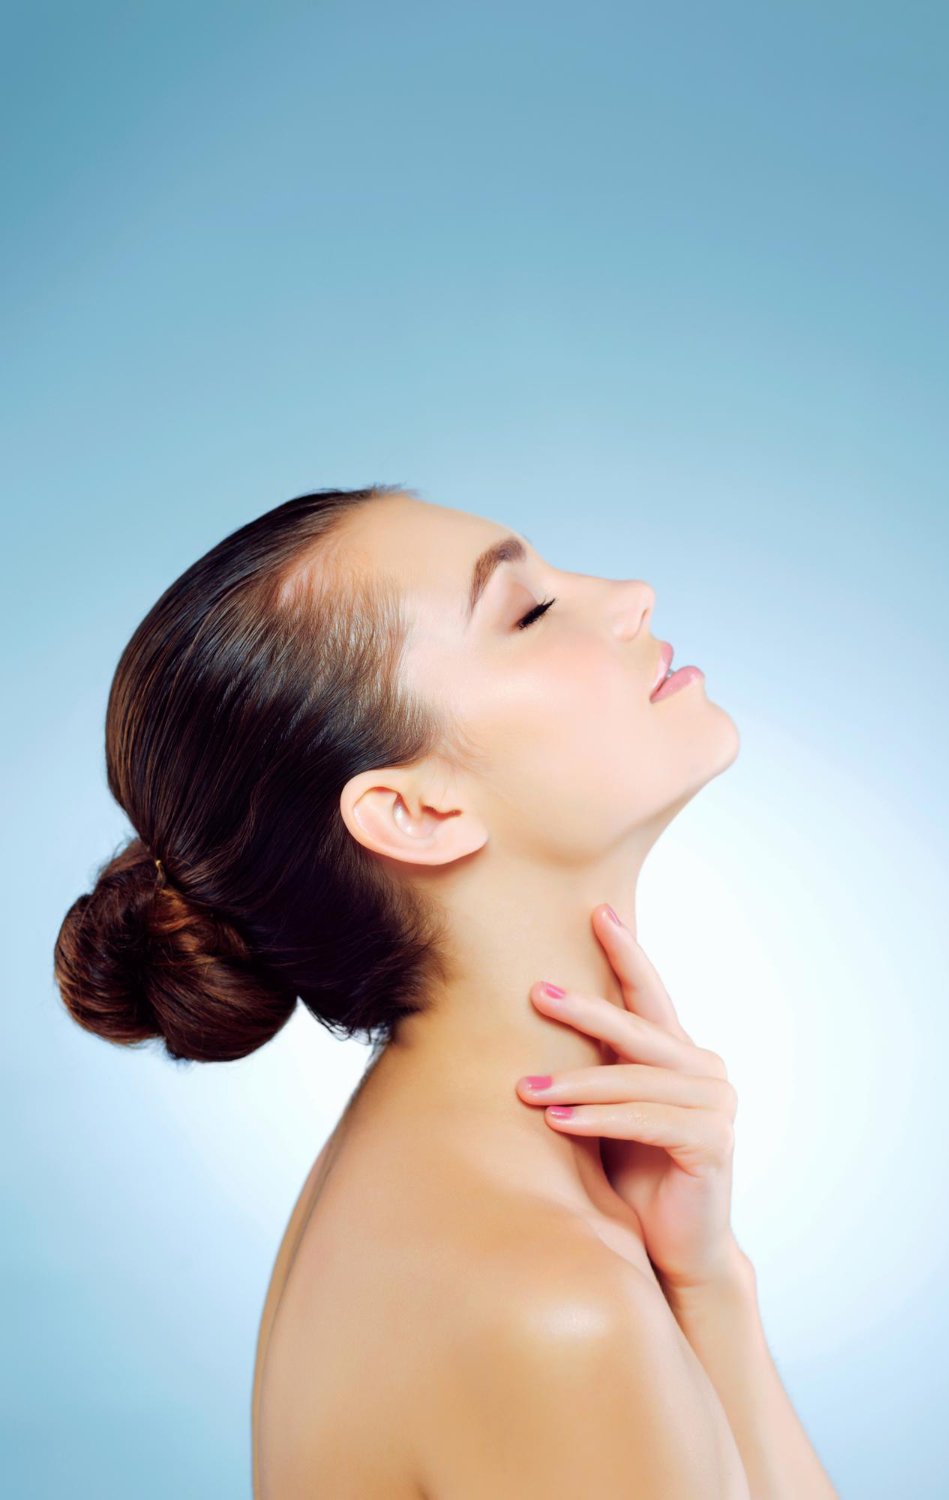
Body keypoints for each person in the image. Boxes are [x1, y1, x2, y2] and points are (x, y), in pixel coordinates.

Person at [54, 483, 838, 1498]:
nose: (632, 595)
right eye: (529, 610)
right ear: (417, 810)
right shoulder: (550, 1305)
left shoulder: (436, 1186)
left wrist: (707, 1279)